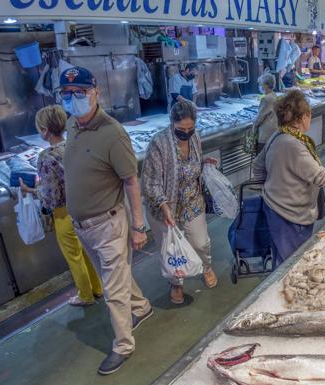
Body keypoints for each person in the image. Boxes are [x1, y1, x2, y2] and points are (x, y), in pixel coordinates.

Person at [60, 67, 152, 375]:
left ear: (96, 92)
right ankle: (140, 307)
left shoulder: (113, 133)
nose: (75, 99)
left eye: (81, 92)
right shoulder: (72, 124)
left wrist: (139, 226)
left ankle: (123, 345)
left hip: (108, 224)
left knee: (113, 292)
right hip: (83, 226)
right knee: (116, 276)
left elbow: (131, 181)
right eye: (68, 94)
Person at [252, 90, 325, 267]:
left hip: (277, 207)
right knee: (292, 263)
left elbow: (257, 166)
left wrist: (272, 185)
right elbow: (320, 176)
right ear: (302, 118)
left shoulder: (278, 135)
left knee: (282, 258)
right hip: (289, 213)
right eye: (309, 115)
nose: (310, 118)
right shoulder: (291, 143)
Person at [19, 105, 103, 307]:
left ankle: (85, 295)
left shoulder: (46, 157)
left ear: (45, 131)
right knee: (86, 252)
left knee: (74, 256)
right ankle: (98, 288)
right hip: (83, 208)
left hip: (64, 215)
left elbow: (51, 198)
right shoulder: (75, 145)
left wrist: (30, 190)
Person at [141, 100, 218, 305]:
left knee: (201, 242)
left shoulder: (195, 138)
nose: (186, 133)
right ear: (171, 122)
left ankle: (206, 266)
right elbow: (150, 182)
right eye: (181, 129)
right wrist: (163, 205)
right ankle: (176, 283)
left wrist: (204, 163)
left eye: (190, 129)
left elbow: (190, 166)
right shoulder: (159, 144)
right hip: (164, 208)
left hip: (192, 201)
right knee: (171, 248)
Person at [252, 73, 278, 153]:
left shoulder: (266, 99)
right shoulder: (274, 95)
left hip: (265, 136)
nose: (260, 86)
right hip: (274, 133)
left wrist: (254, 128)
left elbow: (260, 118)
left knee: (261, 161)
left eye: (261, 84)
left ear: (266, 85)